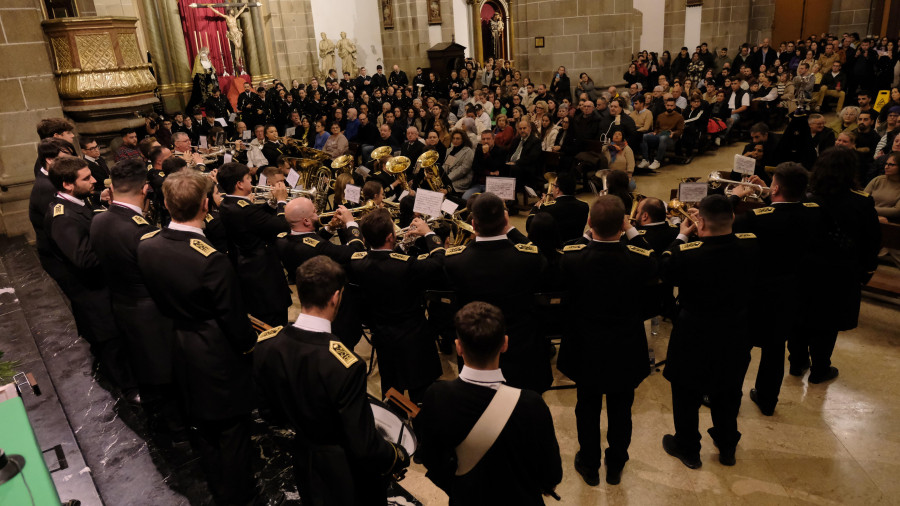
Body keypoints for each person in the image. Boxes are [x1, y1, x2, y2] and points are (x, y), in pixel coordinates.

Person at [138, 170, 258, 505]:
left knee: (203, 430)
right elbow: (235, 322)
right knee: (233, 432)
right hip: (216, 354)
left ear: (165, 202)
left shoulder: (148, 244)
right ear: (206, 205)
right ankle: (238, 496)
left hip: (178, 344)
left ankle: (218, 489)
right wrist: (250, 347)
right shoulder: (211, 260)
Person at [253, 256, 411, 505]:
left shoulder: (267, 343)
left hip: (304, 457)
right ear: (336, 297)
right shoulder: (345, 364)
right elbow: (364, 446)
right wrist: (396, 455)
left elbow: (270, 413)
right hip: (346, 473)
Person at [416, 301, 562, 504]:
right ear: (505, 343)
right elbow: (552, 474)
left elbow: (432, 460)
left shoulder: (436, 395)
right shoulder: (531, 404)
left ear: (458, 347)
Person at [559, 195, 657, 486]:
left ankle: (590, 465)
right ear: (624, 224)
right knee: (621, 410)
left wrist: (588, 234)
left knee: (586, 407)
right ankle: (615, 465)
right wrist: (631, 231)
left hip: (585, 348)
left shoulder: (572, 257)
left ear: (589, 223)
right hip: (625, 348)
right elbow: (650, 257)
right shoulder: (640, 260)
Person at [660, 194, 759, 468]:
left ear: (700, 221)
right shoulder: (751, 245)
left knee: (685, 391)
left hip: (694, 330)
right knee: (728, 390)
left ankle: (688, 448)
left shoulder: (685, 254)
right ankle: (727, 447)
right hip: (735, 330)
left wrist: (682, 236)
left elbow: (664, 269)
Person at [89, 158, 185, 442]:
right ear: (145, 189)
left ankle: (160, 421)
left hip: (122, 305)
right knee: (163, 372)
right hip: (151, 312)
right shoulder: (141, 230)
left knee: (144, 365)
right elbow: (162, 278)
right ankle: (175, 427)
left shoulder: (99, 219)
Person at [731, 163, 825, 416]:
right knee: (774, 348)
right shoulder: (814, 211)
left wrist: (735, 195)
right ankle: (767, 399)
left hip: (756, 290)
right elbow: (793, 205)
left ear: (777, 187)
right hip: (792, 289)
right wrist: (767, 192)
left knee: (741, 348)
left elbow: (723, 223)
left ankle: (729, 397)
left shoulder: (755, 218)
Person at [44, 156, 137, 400]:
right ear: (67, 184)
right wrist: (114, 242)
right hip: (92, 294)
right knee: (111, 343)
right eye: (86, 178)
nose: (94, 179)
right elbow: (84, 259)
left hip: (104, 289)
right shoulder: (62, 217)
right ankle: (129, 391)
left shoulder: (76, 202)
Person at [440, 193, 551, 392]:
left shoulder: (454, 261)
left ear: (473, 225)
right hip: (522, 350)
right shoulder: (529, 259)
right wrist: (513, 231)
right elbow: (540, 257)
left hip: (476, 354)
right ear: (506, 220)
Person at [794, 147, 881, 383]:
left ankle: (797, 362)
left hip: (805, 269)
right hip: (841, 271)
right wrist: (867, 269)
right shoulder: (861, 202)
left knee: (800, 315)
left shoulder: (805, 199)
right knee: (827, 321)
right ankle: (820, 369)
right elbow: (872, 240)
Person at [349, 209, 444, 401]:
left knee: (391, 391)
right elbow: (438, 261)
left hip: (382, 336)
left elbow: (385, 262)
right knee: (421, 393)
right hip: (414, 337)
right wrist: (428, 233)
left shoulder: (357, 262)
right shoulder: (408, 265)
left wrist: (398, 248)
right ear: (391, 237)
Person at [217, 162, 292, 327]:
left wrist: (271, 204)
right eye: (248, 178)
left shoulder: (227, 203)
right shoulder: (244, 210)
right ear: (239, 184)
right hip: (263, 277)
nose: (251, 181)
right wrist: (281, 202)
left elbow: (256, 219)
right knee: (274, 323)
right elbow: (282, 225)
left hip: (247, 270)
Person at [526, 171, 588, 243]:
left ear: (558, 189)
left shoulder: (546, 208)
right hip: (574, 248)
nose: (552, 188)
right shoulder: (584, 206)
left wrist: (536, 208)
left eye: (553, 185)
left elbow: (529, 227)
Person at [864, 152, 900, 223]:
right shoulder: (878, 180)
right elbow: (863, 198)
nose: (886, 167)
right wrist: (870, 211)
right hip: (867, 215)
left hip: (890, 221)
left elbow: (897, 211)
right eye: (886, 164)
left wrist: (870, 210)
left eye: (891, 165)